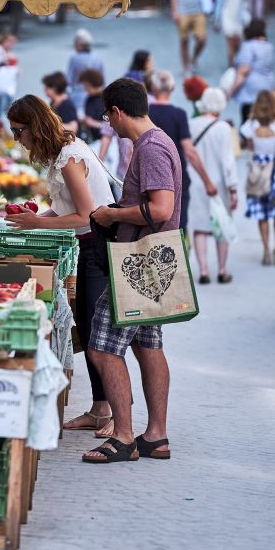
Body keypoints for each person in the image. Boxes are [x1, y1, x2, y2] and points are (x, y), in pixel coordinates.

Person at [81, 78, 181, 464]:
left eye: (108, 116)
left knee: (101, 348)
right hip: (152, 262)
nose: (110, 124)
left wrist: (111, 213)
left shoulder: (151, 147)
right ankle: (156, 436)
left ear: (118, 112)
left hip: (140, 262)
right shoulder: (159, 141)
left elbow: (160, 208)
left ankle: (123, 437)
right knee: (147, 345)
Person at [3, 95, 116, 437]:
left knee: (96, 332)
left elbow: (85, 214)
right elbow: (64, 209)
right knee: (86, 324)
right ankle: (100, 408)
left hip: (100, 242)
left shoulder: (69, 158)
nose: (16, 140)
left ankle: (113, 414)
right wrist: (36, 217)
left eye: (18, 132)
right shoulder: (60, 155)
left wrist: (37, 225)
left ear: (33, 127)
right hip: (89, 243)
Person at [147, 70, 218, 232]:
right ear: (172, 88)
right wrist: (207, 181)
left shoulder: (146, 113)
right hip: (175, 177)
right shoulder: (179, 115)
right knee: (178, 225)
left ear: (153, 87)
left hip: (150, 176)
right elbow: (190, 151)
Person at [188, 88, 238, 284]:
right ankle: (222, 270)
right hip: (219, 184)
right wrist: (233, 188)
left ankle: (203, 270)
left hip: (197, 182)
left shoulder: (191, 125)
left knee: (200, 226)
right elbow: (228, 161)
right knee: (221, 225)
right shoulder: (224, 128)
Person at [240, 90, 275, 265]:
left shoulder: (251, 125)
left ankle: (265, 250)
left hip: (259, 171)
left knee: (262, 214)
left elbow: (249, 146)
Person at [228, 19, 275, 124]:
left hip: (251, 91)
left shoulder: (248, 46)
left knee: (248, 123)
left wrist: (231, 91)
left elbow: (243, 71)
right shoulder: (268, 46)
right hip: (267, 88)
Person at [214, 0, 251, 65]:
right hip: (227, 15)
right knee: (229, 39)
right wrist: (217, 21)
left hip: (238, 16)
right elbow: (219, 5)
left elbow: (246, 0)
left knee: (238, 41)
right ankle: (232, 63)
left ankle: (233, 59)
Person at [65, 29, 104, 111]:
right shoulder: (98, 58)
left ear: (79, 45)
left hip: (77, 98)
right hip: (96, 98)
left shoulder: (74, 58)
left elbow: (69, 80)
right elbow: (102, 82)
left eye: (75, 44)